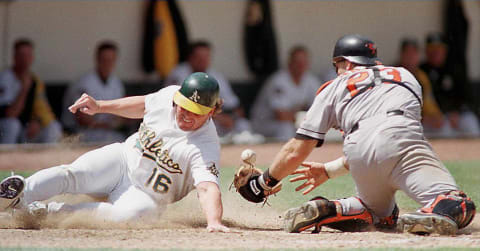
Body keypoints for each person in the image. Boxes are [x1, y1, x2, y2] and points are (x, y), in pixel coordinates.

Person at [236, 35, 475, 235]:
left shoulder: (333, 87)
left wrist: (262, 184)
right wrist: (330, 170)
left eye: (337, 65)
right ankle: (431, 214)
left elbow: (297, 149)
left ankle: (332, 208)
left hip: (359, 149)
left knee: (380, 216)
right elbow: (387, 134)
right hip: (403, 139)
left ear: (347, 63)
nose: (337, 70)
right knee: (457, 203)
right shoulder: (406, 76)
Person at [0, 72, 229, 232]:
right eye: (184, 106)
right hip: (122, 161)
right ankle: (16, 194)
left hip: (146, 195)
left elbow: (207, 188)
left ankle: (43, 213)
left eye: (196, 111)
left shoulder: (205, 146)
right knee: (74, 174)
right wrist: (100, 106)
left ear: (211, 112)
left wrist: (214, 221)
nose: (187, 114)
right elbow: (142, 105)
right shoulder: (169, 96)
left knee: (132, 216)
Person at [165, 41, 259, 143]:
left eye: (206, 57)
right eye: (199, 57)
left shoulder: (215, 76)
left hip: (211, 118)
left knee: (243, 125)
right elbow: (175, 105)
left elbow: (234, 106)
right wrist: (215, 116)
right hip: (183, 117)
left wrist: (229, 118)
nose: (203, 61)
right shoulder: (179, 74)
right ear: (190, 58)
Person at [250, 46, 320, 141]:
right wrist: (307, 118)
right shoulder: (278, 80)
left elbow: (320, 108)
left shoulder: (311, 80)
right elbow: (281, 116)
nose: (301, 65)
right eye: (297, 62)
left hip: (293, 122)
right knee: (286, 128)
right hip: (264, 123)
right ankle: (284, 155)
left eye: (304, 61)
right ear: (290, 63)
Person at [62, 41, 127, 143]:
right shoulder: (84, 82)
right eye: (104, 60)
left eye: (111, 60)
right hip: (80, 132)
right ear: (97, 59)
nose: (107, 64)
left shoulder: (116, 83)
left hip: (107, 131)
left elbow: (121, 113)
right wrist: (108, 125)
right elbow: (82, 119)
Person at [0, 39, 62, 144]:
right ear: (14, 57)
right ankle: (5, 158)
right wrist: (24, 88)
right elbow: (11, 113)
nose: (25, 59)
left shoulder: (34, 80)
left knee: (53, 126)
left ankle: (48, 159)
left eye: (28, 55)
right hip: (6, 124)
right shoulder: (5, 78)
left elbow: (43, 109)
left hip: (25, 126)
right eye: (21, 55)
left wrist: (37, 121)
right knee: (12, 125)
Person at [419, 32, 480, 138]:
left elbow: (467, 97)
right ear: (426, 51)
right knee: (444, 129)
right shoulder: (421, 71)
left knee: (471, 124)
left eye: (439, 49)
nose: (435, 52)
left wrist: (457, 111)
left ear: (445, 50)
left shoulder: (455, 69)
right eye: (432, 49)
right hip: (434, 117)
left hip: (457, 114)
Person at [397, 38, 449, 138]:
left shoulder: (421, 76)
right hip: (401, 121)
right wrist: (422, 119)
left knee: (445, 128)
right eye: (407, 54)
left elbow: (428, 103)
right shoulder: (395, 74)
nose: (410, 57)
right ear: (401, 55)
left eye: (414, 54)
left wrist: (436, 117)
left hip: (421, 120)